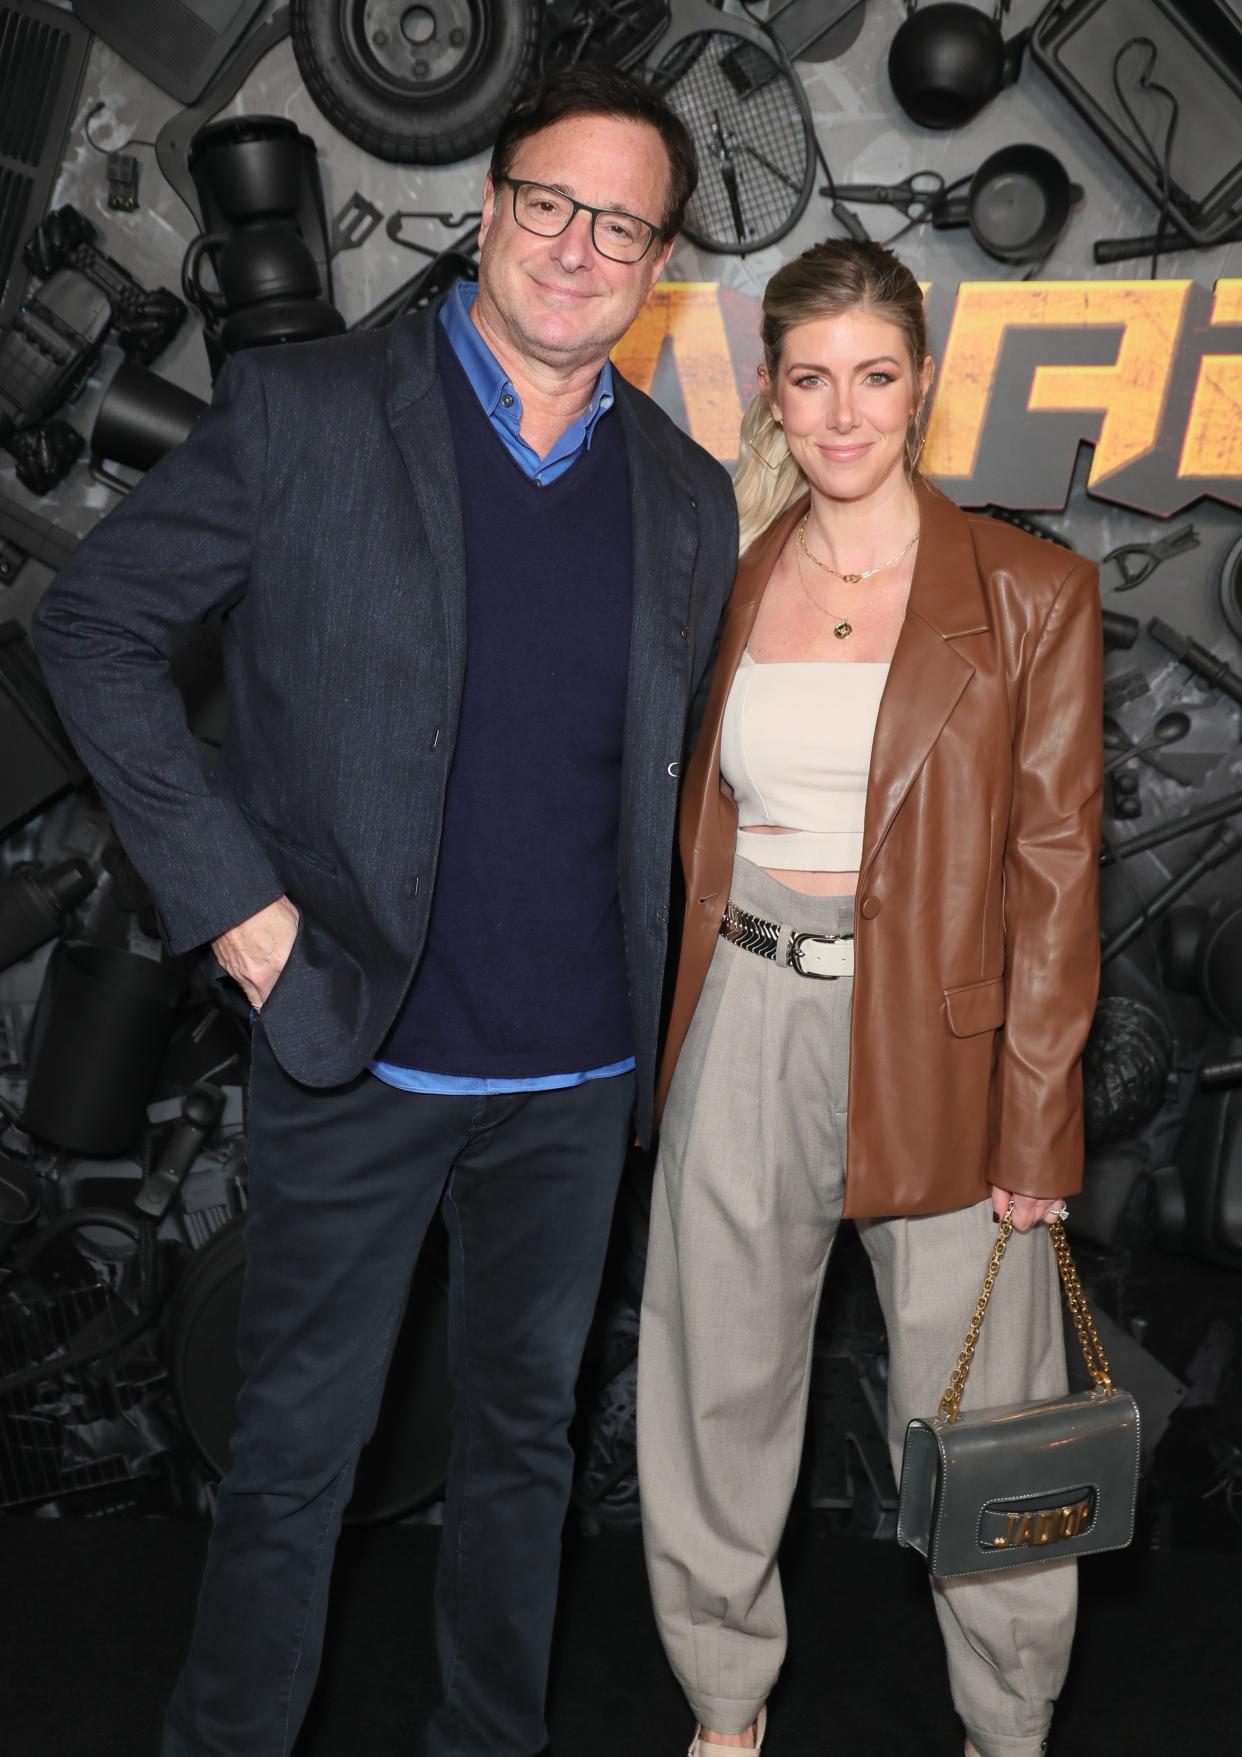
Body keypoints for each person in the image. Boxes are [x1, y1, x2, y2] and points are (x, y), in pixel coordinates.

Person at [31, 65, 738, 1757]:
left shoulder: (685, 493)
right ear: (488, 212)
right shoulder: (309, 413)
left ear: (658, 264)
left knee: (519, 1457)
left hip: (573, 1080)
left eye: (619, 224)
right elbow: (93, 635)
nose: (578, 246)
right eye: (550, 204)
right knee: (292, 1459)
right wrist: (240, 913)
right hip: (356, 1046)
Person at [636, 239, 1103, 1757]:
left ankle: (1005, 1720)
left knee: (984, 1412)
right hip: (746, 1016)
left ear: (920, 384)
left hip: (949, 1039)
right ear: (770, 388)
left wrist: (1036, 1127)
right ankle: (722, 1705)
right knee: (712, 1386)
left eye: (875, 377)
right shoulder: (729, 572)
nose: (843, 414)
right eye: (811, 378)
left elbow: (1054, 875)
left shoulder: (1030, 592)